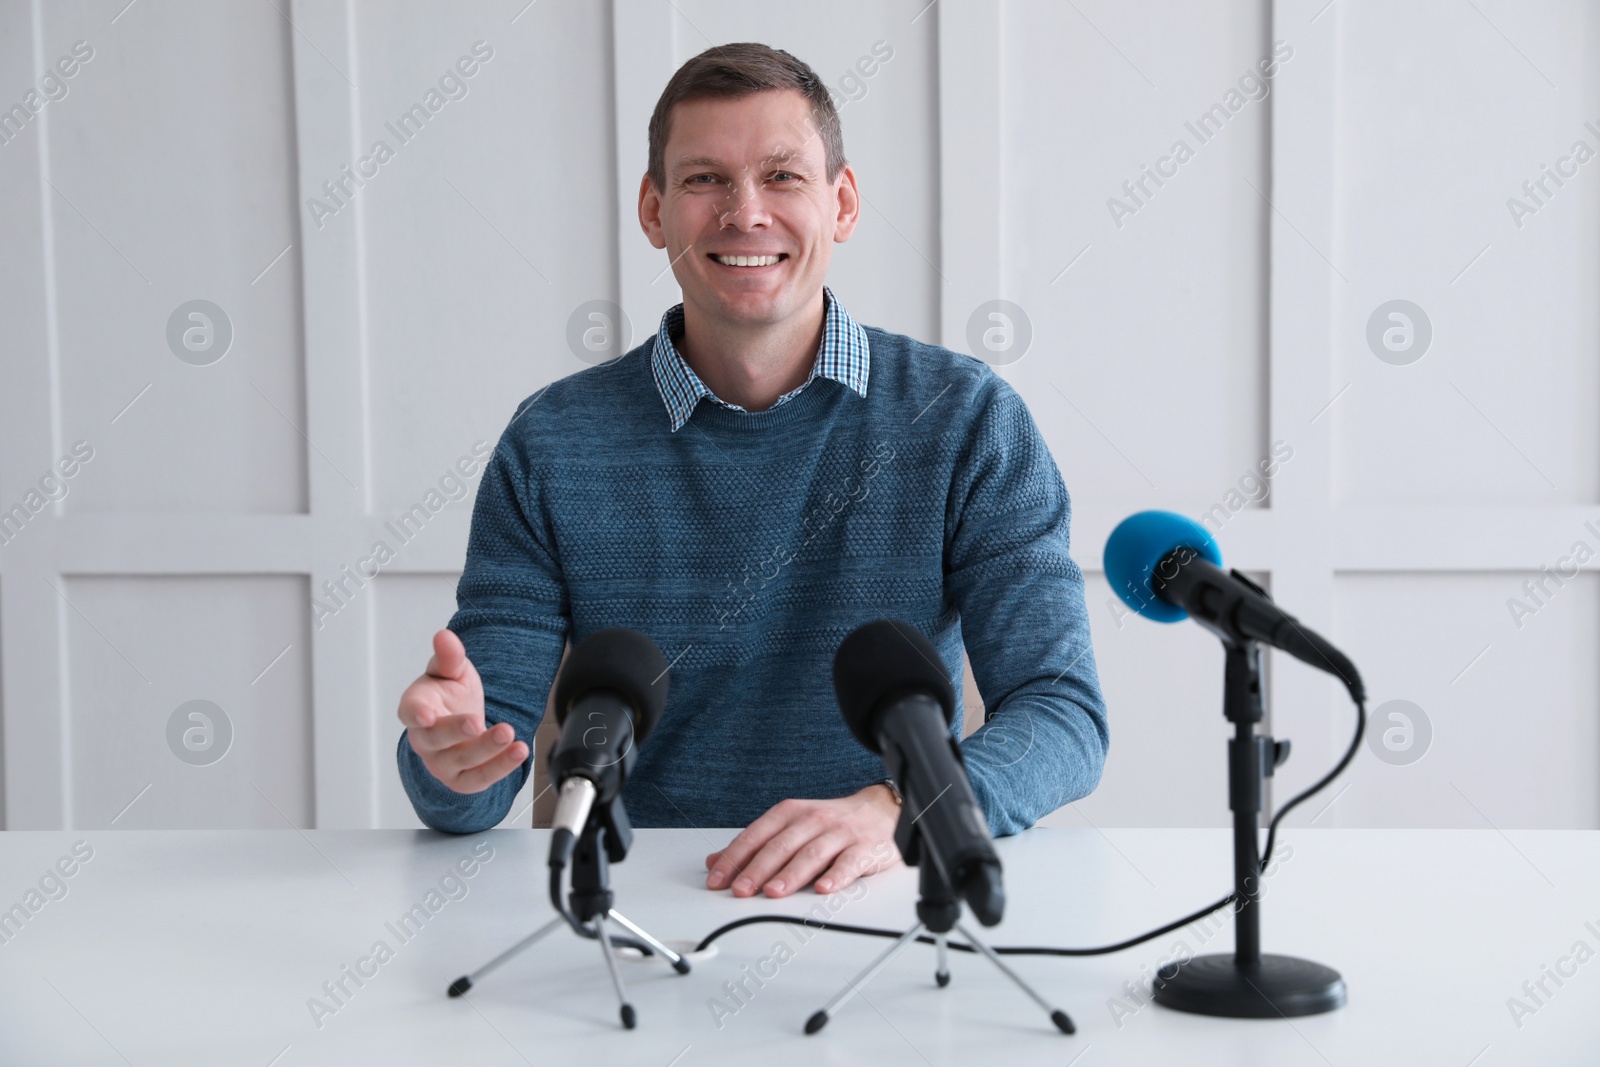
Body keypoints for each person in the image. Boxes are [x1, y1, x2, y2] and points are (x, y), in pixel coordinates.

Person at [396, 42, 1107, 901]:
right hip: (642, 904)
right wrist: (452, 762)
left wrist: (897, 805)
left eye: (781, 176)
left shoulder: (966, 420)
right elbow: (475, 769)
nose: (745, 212)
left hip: (887, 887)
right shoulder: (552, 442)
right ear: (654, 212)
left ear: (841, 204)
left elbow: (1062, 714)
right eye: (704, 181)